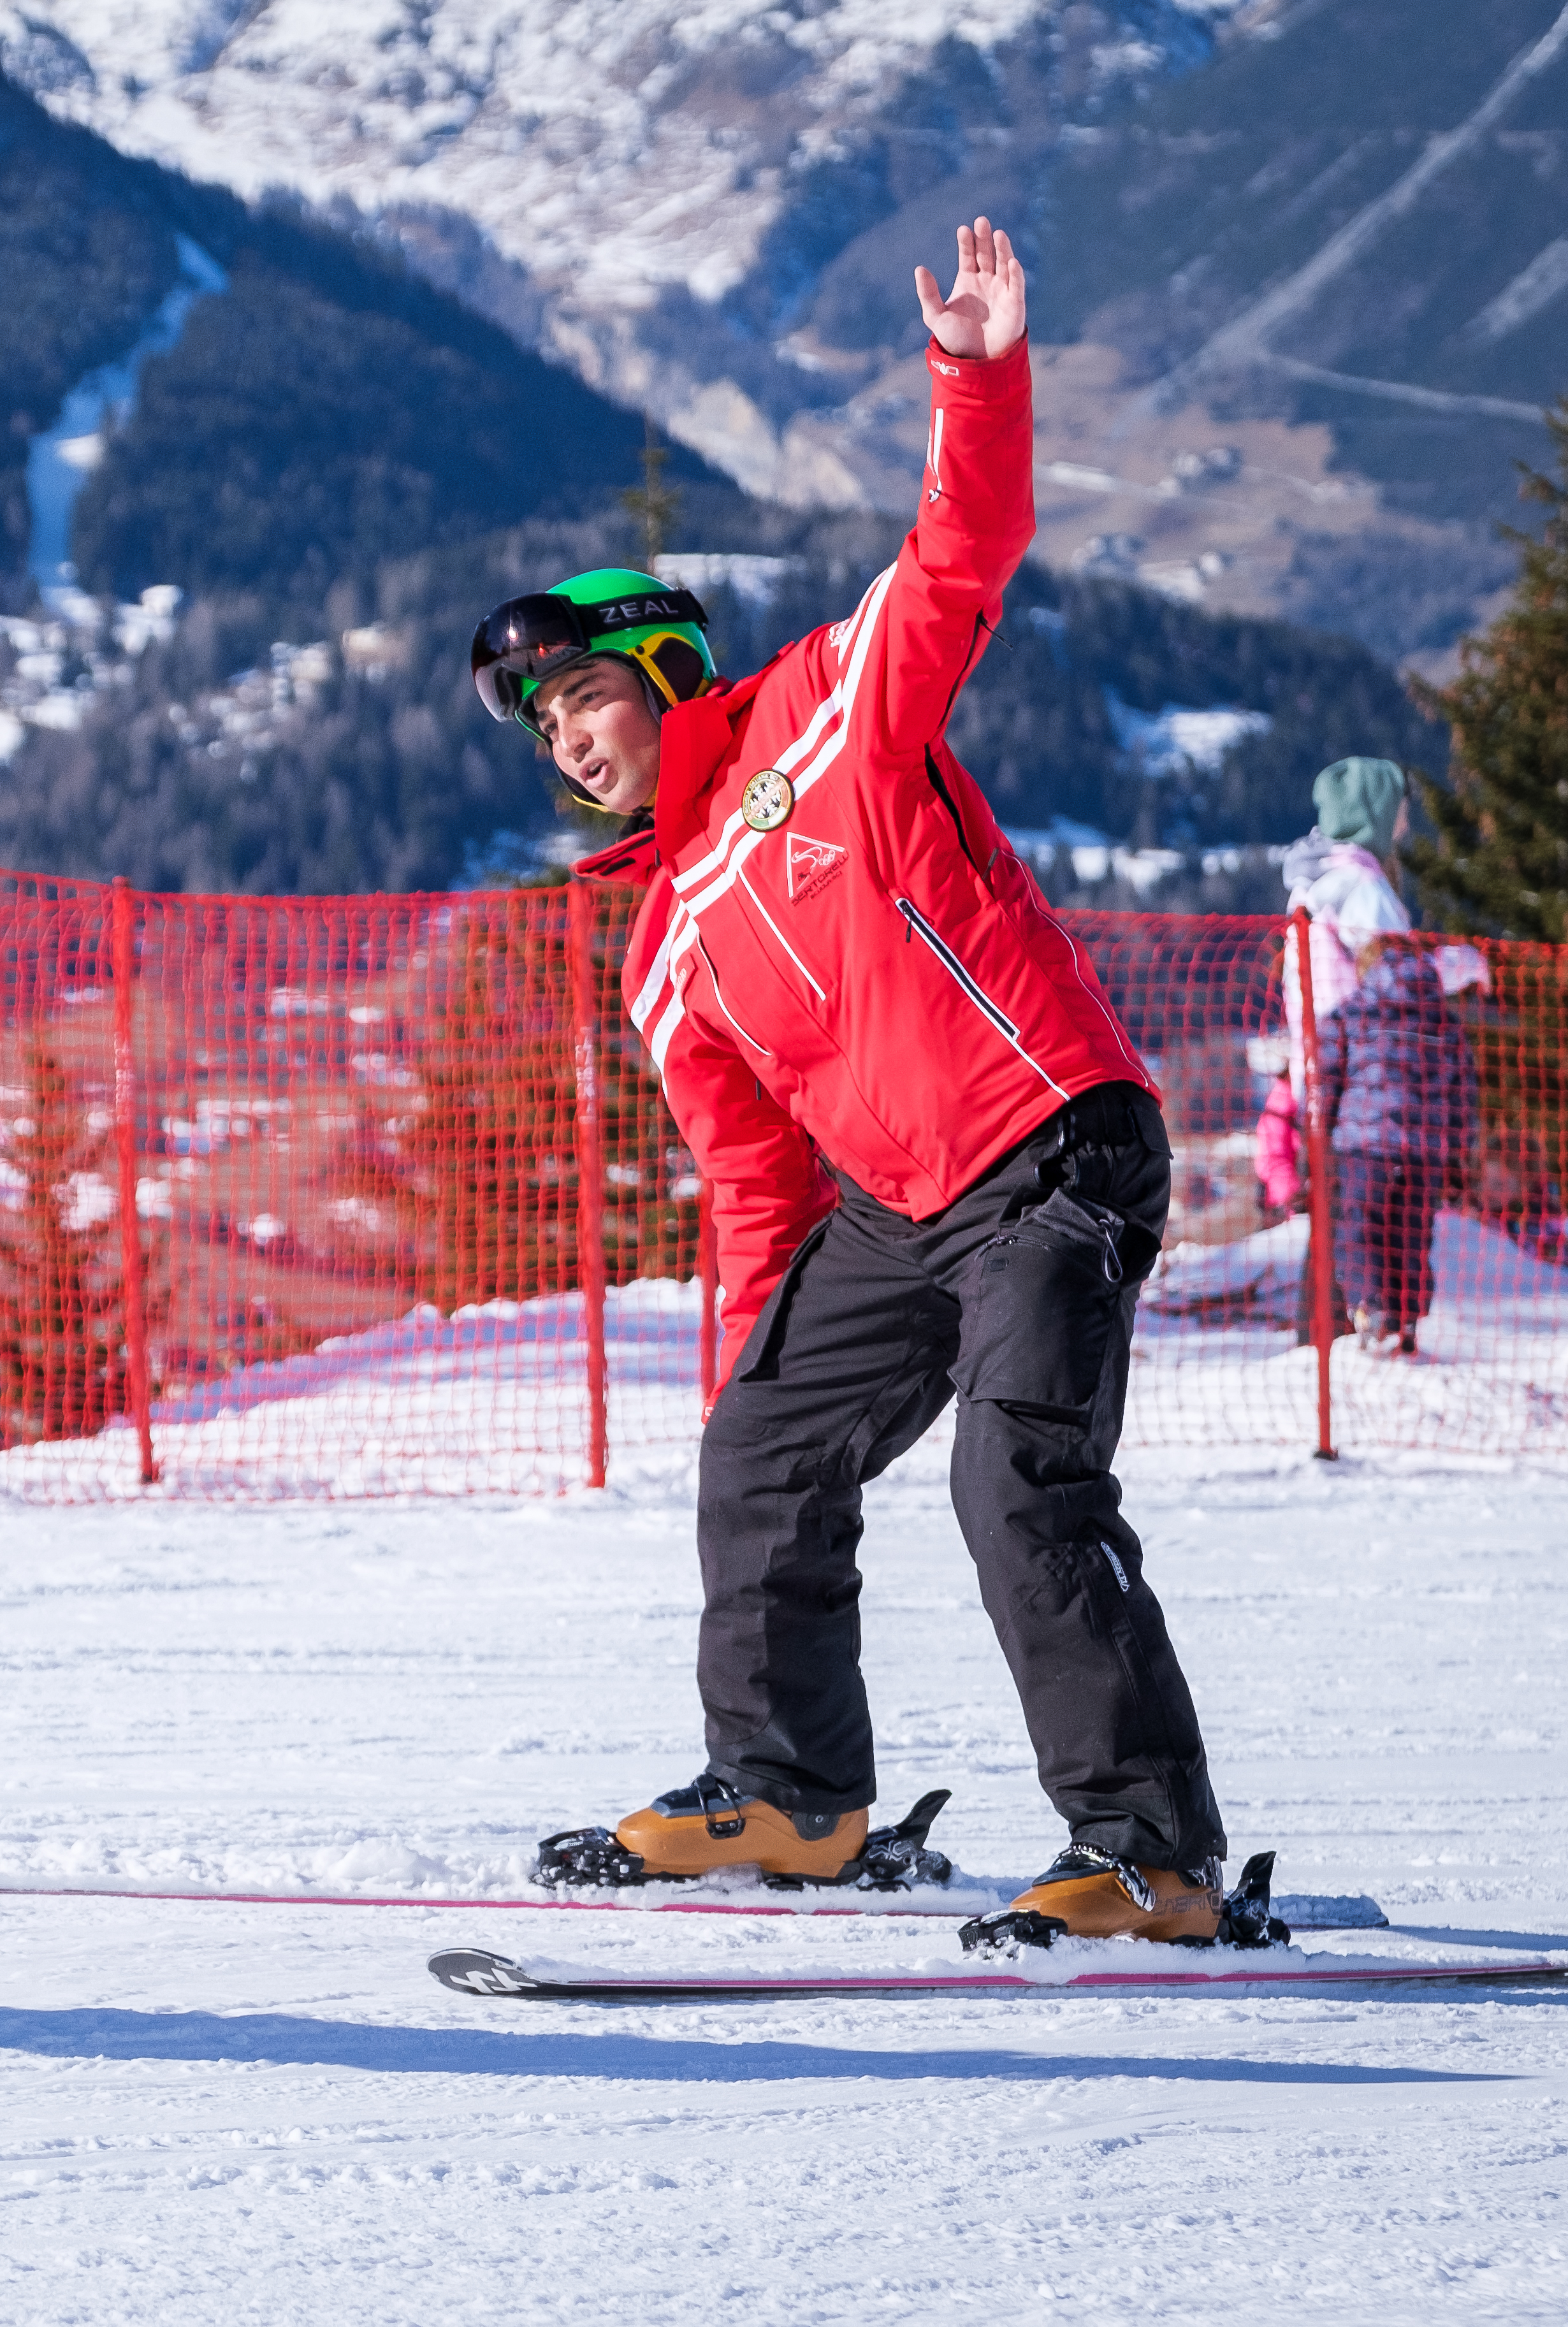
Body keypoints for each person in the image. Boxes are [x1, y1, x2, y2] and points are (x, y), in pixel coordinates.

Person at [470, 219, 1241, 1946]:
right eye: (540, 732)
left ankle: (1148, 1851)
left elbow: (958, 553)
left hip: (1048, 1143)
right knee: (756, 1447)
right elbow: (751, 1187)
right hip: (900, 1211)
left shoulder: (828, 710)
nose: (567, 743)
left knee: (1013, 1480)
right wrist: (754, 1372)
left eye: (581, 697)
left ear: (662, 668)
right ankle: (788, 1792)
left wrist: (973, 376)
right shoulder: (656, 940)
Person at [1254, 758, 1416, 1217]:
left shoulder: (1311, 884)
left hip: (1320, 1066)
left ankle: (1330, 1287)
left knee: (1337, 1218)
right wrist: (1463, 966)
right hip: (1367, 1071)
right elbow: (1398, 971)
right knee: (1366, 1218)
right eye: (1400, 810)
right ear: (1375, 814)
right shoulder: (1364, 888)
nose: (1405, 824)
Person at [1312, 934, 1479, 1355]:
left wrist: (1313, 1140)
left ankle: (1369, 1307)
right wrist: (1458, 1148)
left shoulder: (1351, 1012)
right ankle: (1408, 1320)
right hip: (1425, 1149)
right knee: (1412, 1232)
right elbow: (1463, 1092)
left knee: (1360, 1227)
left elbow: (1324, 1081)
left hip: (1364, 1143)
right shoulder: (1445, 1021)